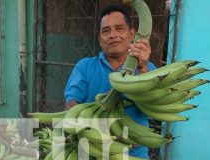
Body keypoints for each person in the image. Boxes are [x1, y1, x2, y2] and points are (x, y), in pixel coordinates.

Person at [64, 4, 156, 159]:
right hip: (91, 152)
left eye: (119, 28)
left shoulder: (148, 69)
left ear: (132, 34)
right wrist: (88, 129)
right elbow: (71, 103)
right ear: (100, 40)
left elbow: (151, 110)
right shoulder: (84, 67)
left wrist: (143, 69)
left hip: (132, 154)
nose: (113, 35)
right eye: (106, 31)